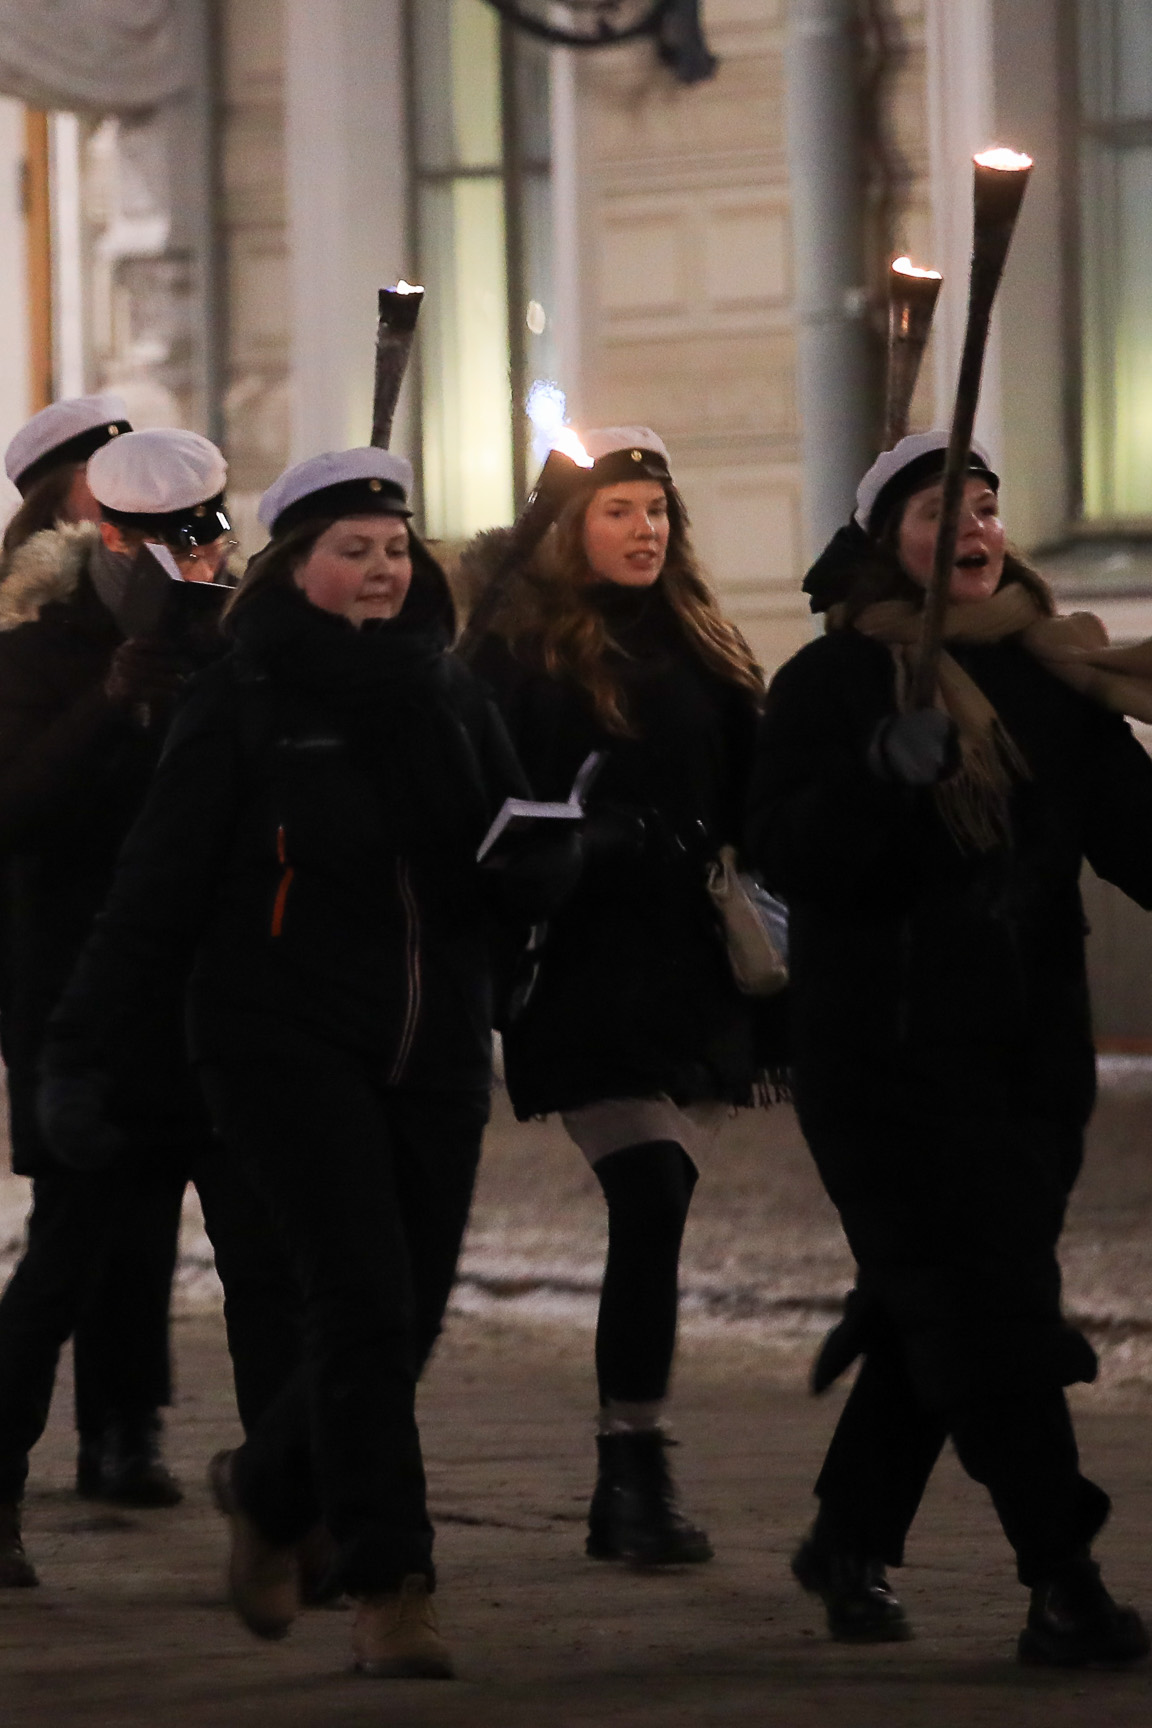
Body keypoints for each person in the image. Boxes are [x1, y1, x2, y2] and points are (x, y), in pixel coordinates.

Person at [44, 448, 575, 1678]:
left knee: (408, 1318)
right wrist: (78, 1053)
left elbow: (500, 848)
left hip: (432, 1042)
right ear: (297, 568)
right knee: (361, 1302)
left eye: (396, 551)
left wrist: (544, 879)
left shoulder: (449, 695)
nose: (384, 571)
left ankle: (271, 1485)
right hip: (278, 1042)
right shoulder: (243, 703)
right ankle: (394, 1584)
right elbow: (153, 895)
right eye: (355, 552)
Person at [750, 431, 1152, 1667]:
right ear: (888, 547)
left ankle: (849, 1535)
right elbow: (793, 859)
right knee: (997, 1316)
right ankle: (1062, 1578)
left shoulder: (1050, 676)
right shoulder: (830, 684)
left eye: (984, 505)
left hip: (1030, 1061)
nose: (973, 529)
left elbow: (1136, 840)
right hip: (884, 1061)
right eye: (938, 513)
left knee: (958, 1309)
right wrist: (880, 772)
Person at [0, 427, 300, 1590]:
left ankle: (290, 1500)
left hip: (225, 1007)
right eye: (168, 538)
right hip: (88, 1002)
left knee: (266, 1266)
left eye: (209, 531)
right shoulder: (31, 644)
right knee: (71, 1259)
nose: (197, 556)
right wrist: (108, 702)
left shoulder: (245, 639)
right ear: (107, 537)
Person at [0, 395, 222, 1518]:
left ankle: (132, 1427)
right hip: (65, 962)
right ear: (64, 498)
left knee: (181, 1204)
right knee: (93, 1212)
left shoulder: (208, 619)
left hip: (193, 964)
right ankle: (73, 1441)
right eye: (108, 477)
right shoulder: (14, 639)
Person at [461, 427, 773, 1566]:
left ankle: (630, 1474)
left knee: (663, 1200)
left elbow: (759, 800)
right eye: (617, 510)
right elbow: (489, 795)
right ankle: (630, 1472)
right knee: (651, 1193)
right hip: (580, 968)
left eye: (656, 510)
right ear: (569, 532)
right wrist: (590, 839)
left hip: (691, 970)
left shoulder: (704, 643)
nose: (644, 530)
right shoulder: (524, 650)